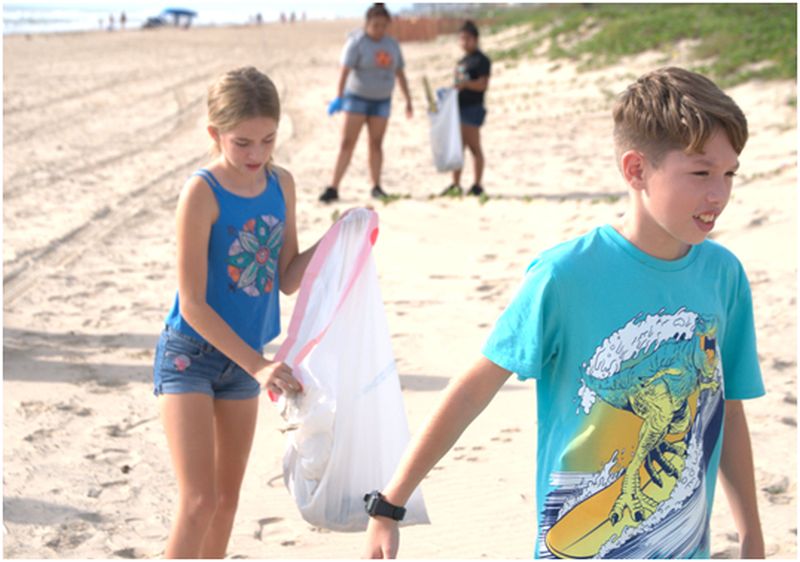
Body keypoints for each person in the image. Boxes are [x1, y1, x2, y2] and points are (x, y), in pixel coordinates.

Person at [363, 67, 765, 559]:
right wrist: (390, 504)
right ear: (636, 170)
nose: (718, 194)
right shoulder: (565, 276)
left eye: (729, 174)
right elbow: (472, 389)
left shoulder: (722, 276)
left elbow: (728, 409)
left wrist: (753, 539)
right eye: (701, 173)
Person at [153, 66, 322, 558]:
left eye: (268, 140)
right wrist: (260, 366)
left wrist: (338, 239)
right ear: (215, 135)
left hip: (247, 363)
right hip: (190, 356)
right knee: (199, 500)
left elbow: (286, 277)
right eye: (242, 143)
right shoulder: (201, 192)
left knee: (227, 502)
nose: (257, 155)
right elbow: (194, 305)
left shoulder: (281, 185)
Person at [319, 3, 413, 203]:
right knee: (347, 143)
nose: (379, 30)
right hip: (357, 99)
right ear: (367, 24)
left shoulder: (392, 44)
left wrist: (408, 100)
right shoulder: (357, 42)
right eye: (375, 25)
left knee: (376, 144)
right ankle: (333, 186)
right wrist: (339, 97)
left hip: (382, 101)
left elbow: (400, 73)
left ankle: (376, 186)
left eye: (383, 25)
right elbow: (344, 71)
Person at [441, 20, 491, 198]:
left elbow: (483, 85)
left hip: (472, 108)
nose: (464, 42)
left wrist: (466, 84)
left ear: (475, 39)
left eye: (467, 38)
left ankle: (477, 184)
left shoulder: (481, 60)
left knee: (474, 147)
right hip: (458, 107)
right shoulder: (462, 61)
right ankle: (455, 183)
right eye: (461, 39)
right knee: (458, 148)